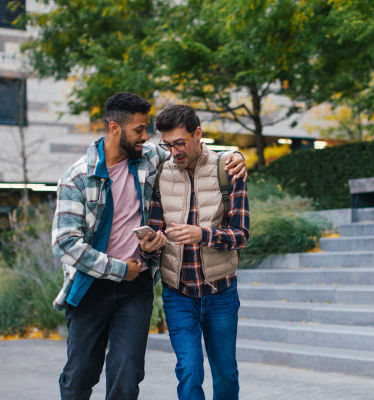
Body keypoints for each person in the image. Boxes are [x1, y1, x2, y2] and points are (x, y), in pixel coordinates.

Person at [51, 93, 247, 400]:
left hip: (136, 288)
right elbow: (64, 244)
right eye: (140, 130)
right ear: (115, 128)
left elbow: (198, 151)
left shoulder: (149, 158)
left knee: (127, 377)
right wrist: (118, 269)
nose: (147, 137)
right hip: (92, 286)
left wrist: (237, 155)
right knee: (79, 376)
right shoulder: (76, 178)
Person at [148, 104, 250, 400]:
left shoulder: (227, 169)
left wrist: (201, 235)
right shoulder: (160, 175)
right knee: (189, 370)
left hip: (220, 293)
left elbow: (241, 236)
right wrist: (149, 244)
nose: (174, 151)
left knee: (225, 373)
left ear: (198, 134)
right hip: (178, 293)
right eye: (167, 144)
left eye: (180, 142)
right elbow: (157, 230)